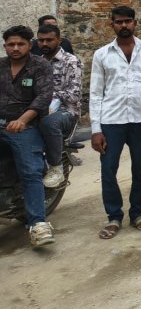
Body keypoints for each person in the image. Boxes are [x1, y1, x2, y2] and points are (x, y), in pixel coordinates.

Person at [90, 6, 141, 239]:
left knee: (140, 168)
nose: (124, 26)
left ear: (135, 23)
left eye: (128, 21)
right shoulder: (102, 54)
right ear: (112, 24)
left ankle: (138, 213)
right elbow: (96, 93)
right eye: (119, 22)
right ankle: (113, 216)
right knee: (108, 168)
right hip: (111, 121)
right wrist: (95, 129)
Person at [1, 25, 55, 247]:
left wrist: (22, 120)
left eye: (20, 44)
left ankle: (37, 224)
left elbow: (44, 96)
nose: (15, 48)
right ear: (5, 46)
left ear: (29, 45)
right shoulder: (1, 65)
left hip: (27, 125)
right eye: (10, 44)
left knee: (30, 170)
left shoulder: (39, 65)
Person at [35, 23, 83, 188]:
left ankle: (56, 167)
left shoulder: (71, 61)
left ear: (59, 40)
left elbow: (74, 95)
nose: (45, 44)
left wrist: (50, 97)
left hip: (66, 112)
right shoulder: (37, 63)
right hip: (39, 110)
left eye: (49, 40)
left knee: (50, 123)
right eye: (41, 40)